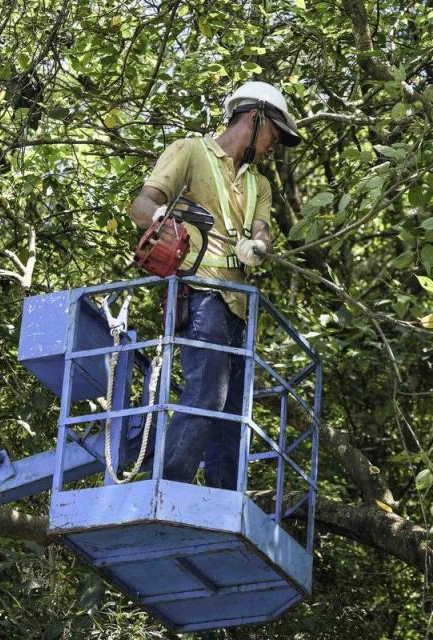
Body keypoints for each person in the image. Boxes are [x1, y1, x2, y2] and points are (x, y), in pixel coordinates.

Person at [127, 81, 301, 490]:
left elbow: (263, 231)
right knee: (208, 395)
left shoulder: (260, 185)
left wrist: (259, 246)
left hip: (239, 307)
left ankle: (223, 499)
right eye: (273, 135)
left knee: (232, 413)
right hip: (200, 293)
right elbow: (141, 206)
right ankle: (164, 486)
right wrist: (163, 225)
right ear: (254, 119)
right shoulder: (190, 151)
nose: (273, 147)